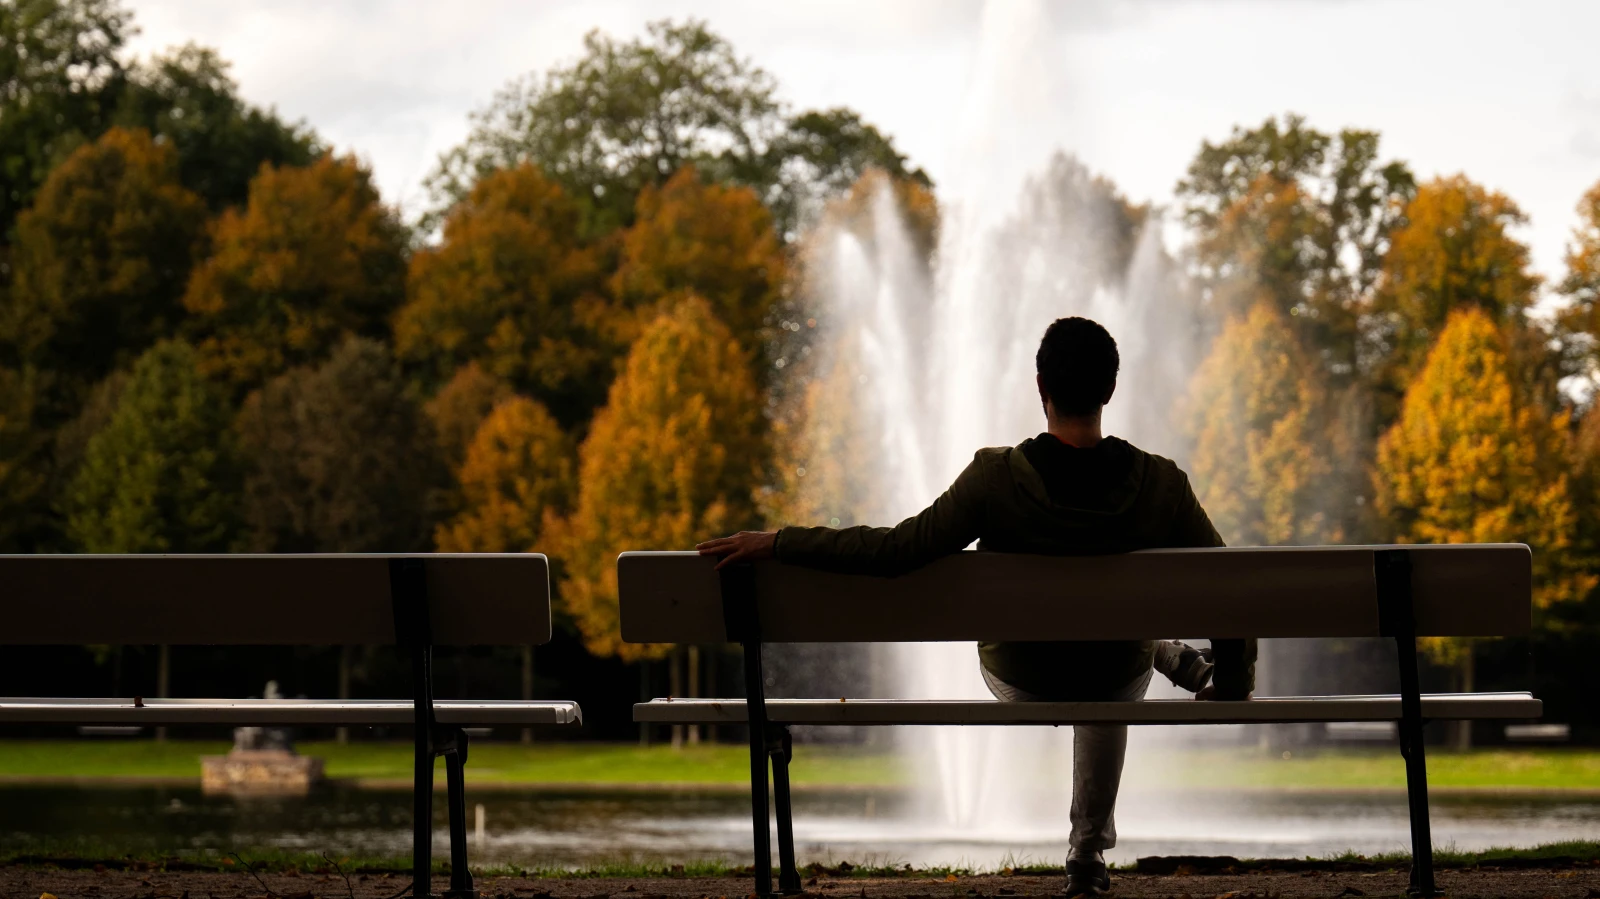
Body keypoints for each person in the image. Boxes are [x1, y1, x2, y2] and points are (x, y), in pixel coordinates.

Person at [697, 316, 1256, 897]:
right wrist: (1234, 682)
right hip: (1115, 671)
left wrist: (781, 541)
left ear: (1041, 386)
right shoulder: (1162, 484)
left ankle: (1153, 654)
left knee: (1105, 657)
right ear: (1110, 390)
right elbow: (1225, 587)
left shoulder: (995, 478)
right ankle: (1087, 853)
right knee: (1112, 666)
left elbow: (896, 550)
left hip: (1018, 674)